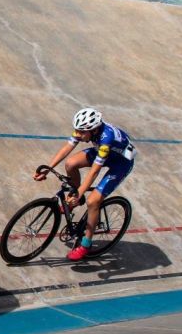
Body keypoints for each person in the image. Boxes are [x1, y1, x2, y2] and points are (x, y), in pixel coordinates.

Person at [33, 107, 136, 261]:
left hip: (120, 163)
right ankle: (75, 201)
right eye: (77, 131)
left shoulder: (106, 139)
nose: (78, 135)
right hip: (105, 152)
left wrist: (79, 192)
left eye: (81, 133)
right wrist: (48, 168)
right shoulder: (86, 130)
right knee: (70, 164)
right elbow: (67, 148)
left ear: (93, 130)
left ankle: (85, 245)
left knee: (93, 200)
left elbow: (94, 172)